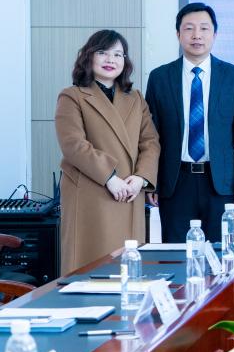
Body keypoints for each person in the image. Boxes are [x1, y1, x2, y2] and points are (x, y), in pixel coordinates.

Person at [145, 3, 234, 242]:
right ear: (178, 34)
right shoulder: (160, 78)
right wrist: (152, 182)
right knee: (176, 254)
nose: (197, 35)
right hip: (175, 182)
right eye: (189, 28)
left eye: (204, 28)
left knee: (221, 253)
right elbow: (150, 137)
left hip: (221, 184)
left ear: (214, 34)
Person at [55, 30, 160, 273]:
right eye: (103, 52)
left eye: (118, 54)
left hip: (130, 191)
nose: (111, 60)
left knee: (126, 270)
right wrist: (110, 178)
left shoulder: (135, 98)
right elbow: (73, 144)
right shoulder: (72, 96)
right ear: (89, 56)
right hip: (92, 192)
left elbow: (150, 142)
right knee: (90, 272)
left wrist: (141, 178)